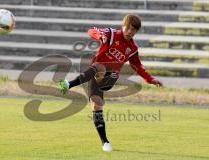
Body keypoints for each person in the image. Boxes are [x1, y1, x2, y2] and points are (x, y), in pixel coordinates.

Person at [59, 14, 163, 152]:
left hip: (110, 78)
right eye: (128, 28)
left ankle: (69, 84)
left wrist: (150, 79)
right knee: (96, 106)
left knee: (100, 67)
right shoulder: (110, 34)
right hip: (94, 74)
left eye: (133, 30)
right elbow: (91, 30)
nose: (130, 32)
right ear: (123, 26)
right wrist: (99, 35)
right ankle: (105, 143)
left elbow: (138, 66)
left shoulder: (132, 48)